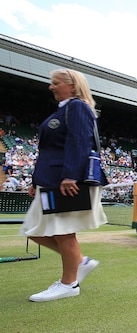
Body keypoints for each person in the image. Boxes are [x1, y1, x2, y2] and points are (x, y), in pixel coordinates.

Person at [20, 68, 108, 302]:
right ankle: (80, 262)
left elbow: (79, 142)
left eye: (56, 82)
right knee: (34, 231)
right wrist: (35, 181)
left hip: (65, 180)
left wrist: (70, 176)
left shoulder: (77, 107)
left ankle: (69, 283)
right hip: (50, 179)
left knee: (64, 233)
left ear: (73, 85)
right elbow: (50, 150)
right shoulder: (63, 110)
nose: (51, 86)